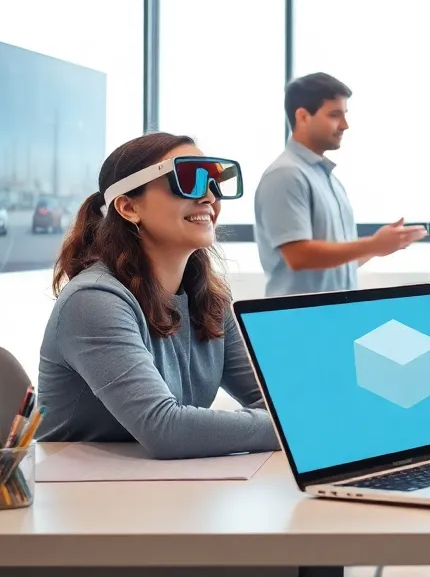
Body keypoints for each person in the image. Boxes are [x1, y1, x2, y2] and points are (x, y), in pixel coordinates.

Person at [37, 132, 280, 460]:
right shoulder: (93, 300)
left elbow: (275, 402)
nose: (210, 196)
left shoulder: (209, 298)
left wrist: (297, 414)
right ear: (128, 207)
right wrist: (290, 426)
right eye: (189, 179)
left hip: (169, 483)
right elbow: (166, 429)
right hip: (83, 487)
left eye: (214, 181)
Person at [253, 72, 426, 297]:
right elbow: (299, 256)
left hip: (334, 312)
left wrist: (379, 248)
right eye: (335, 115)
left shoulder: (329, 180)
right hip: (299, 316)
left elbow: (337, 262)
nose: (345, 125)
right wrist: (373, 244)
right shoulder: (285, 175)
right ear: (303, 116)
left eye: (344, 115)